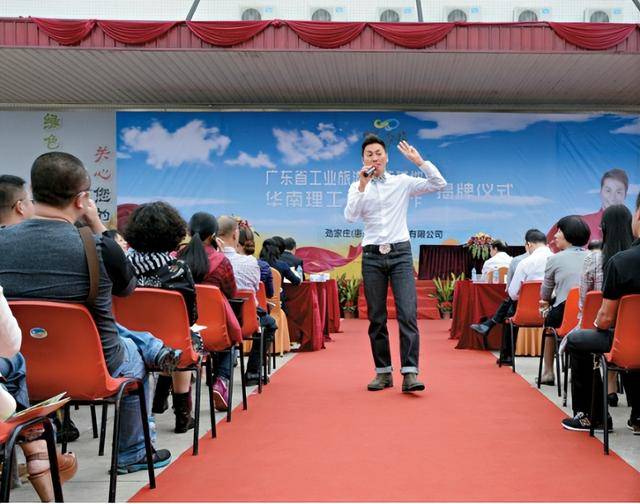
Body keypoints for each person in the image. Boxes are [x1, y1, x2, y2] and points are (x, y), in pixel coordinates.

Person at [0, 152, 174, 475]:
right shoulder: (98, 248)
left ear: (33, 192)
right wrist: (98, 225)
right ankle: (134, 452)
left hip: (15, 370)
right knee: (133, 355)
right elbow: (128, 287)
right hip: (94, 367)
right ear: (81, 200)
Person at [344, 135, 446, 393]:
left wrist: (420, 162)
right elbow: (350, 216)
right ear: (363, 159)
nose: (374, 158)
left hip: (400, 253)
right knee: (376, 317)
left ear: (387, 157)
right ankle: (383, 373)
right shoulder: (357, 186)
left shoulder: (402, 182)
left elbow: (438, 183)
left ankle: (410, 372)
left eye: (378, 153)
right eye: (369, 154)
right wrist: (362, 185)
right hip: (372, 255)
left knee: (407, 313)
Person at [561, 193, 640, 434]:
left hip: (626, 342)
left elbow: (604, 319)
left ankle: (592, 416)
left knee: (577, 341)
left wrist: (596, 324)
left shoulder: (622, 262)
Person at [125, 201, 203, 432]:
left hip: (129, 345)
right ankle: (182, 415)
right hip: (172, 345)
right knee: (187, 338)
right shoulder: (179, 269)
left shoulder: (121, 267)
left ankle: (158, 400)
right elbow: (191, 317)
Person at [177, 211, 240, 411]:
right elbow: (231, 292)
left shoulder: (175, 258)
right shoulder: (221, 261)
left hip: (181, 330)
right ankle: (221, 380)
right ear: (213, 235)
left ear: (188, 232)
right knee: (230, 338)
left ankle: (182, 402)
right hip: (213, 331)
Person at [574, 205, 633, 407]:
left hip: (604, 328)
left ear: (604, 228)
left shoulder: (595, 259)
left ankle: (592, 412)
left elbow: (585, 303)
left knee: (578, 340)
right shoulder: (633, 258)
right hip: (633, 334)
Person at [217, 216, 278, 386]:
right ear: (235, 235)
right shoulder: (251, 263)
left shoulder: (207, 261)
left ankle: (217, 375)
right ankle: (252, 372)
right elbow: (255, 290)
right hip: (244, 320)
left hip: (213, 319)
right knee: (269, 324)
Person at [538, 215, 590, 384]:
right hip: (590, 315)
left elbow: (545, 293)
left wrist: (547, 300)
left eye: (559, 231)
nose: (555, 235)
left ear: (568, 235)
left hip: (564, 314)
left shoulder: (554, 259)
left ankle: (548, 372)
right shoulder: (594, 257)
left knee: (549, 325)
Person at [469, 229, 540, 351]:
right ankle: (490, 324)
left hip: (523, 307)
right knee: (509, 306)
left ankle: (491, 326)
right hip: (543, 306)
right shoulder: (551, 258)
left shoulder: (519, 261)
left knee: (509, 309)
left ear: (529, 245)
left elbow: (512, 291)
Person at [547, 169, 629, 251]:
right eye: (608, 191)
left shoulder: (631, 226)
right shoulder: (581, 223)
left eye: (619, 192)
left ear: (625, 194)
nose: (612, 197)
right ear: (601, 192)